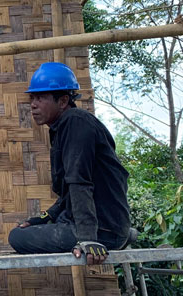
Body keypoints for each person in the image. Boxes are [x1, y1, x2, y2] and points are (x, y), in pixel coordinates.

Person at [8, 62, 132, 265]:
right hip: (105, 223)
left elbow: (79, 183)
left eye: (41, 98)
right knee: (29, 230)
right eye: (32, 98)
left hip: (100, 228)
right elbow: (68, 193)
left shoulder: (75, 123)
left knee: (16, 237)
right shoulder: (66, 125)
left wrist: (88, 239)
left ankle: (112, 237)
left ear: (63, 100)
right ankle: (122, 234)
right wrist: (45, 217)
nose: (33, 104)